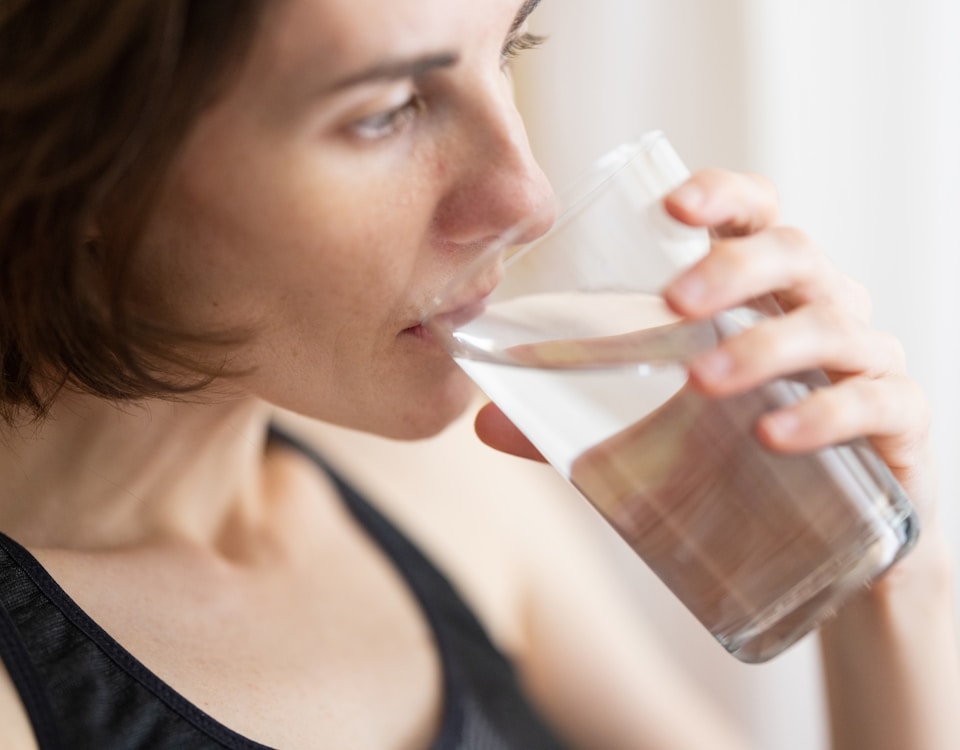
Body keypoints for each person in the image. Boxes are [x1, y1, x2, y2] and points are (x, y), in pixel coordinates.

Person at [0, 1, 957, 748]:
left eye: (512, 45)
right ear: (82, 158)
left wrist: (885, 575)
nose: (528, 196)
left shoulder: (440, 488)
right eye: (385, 113)